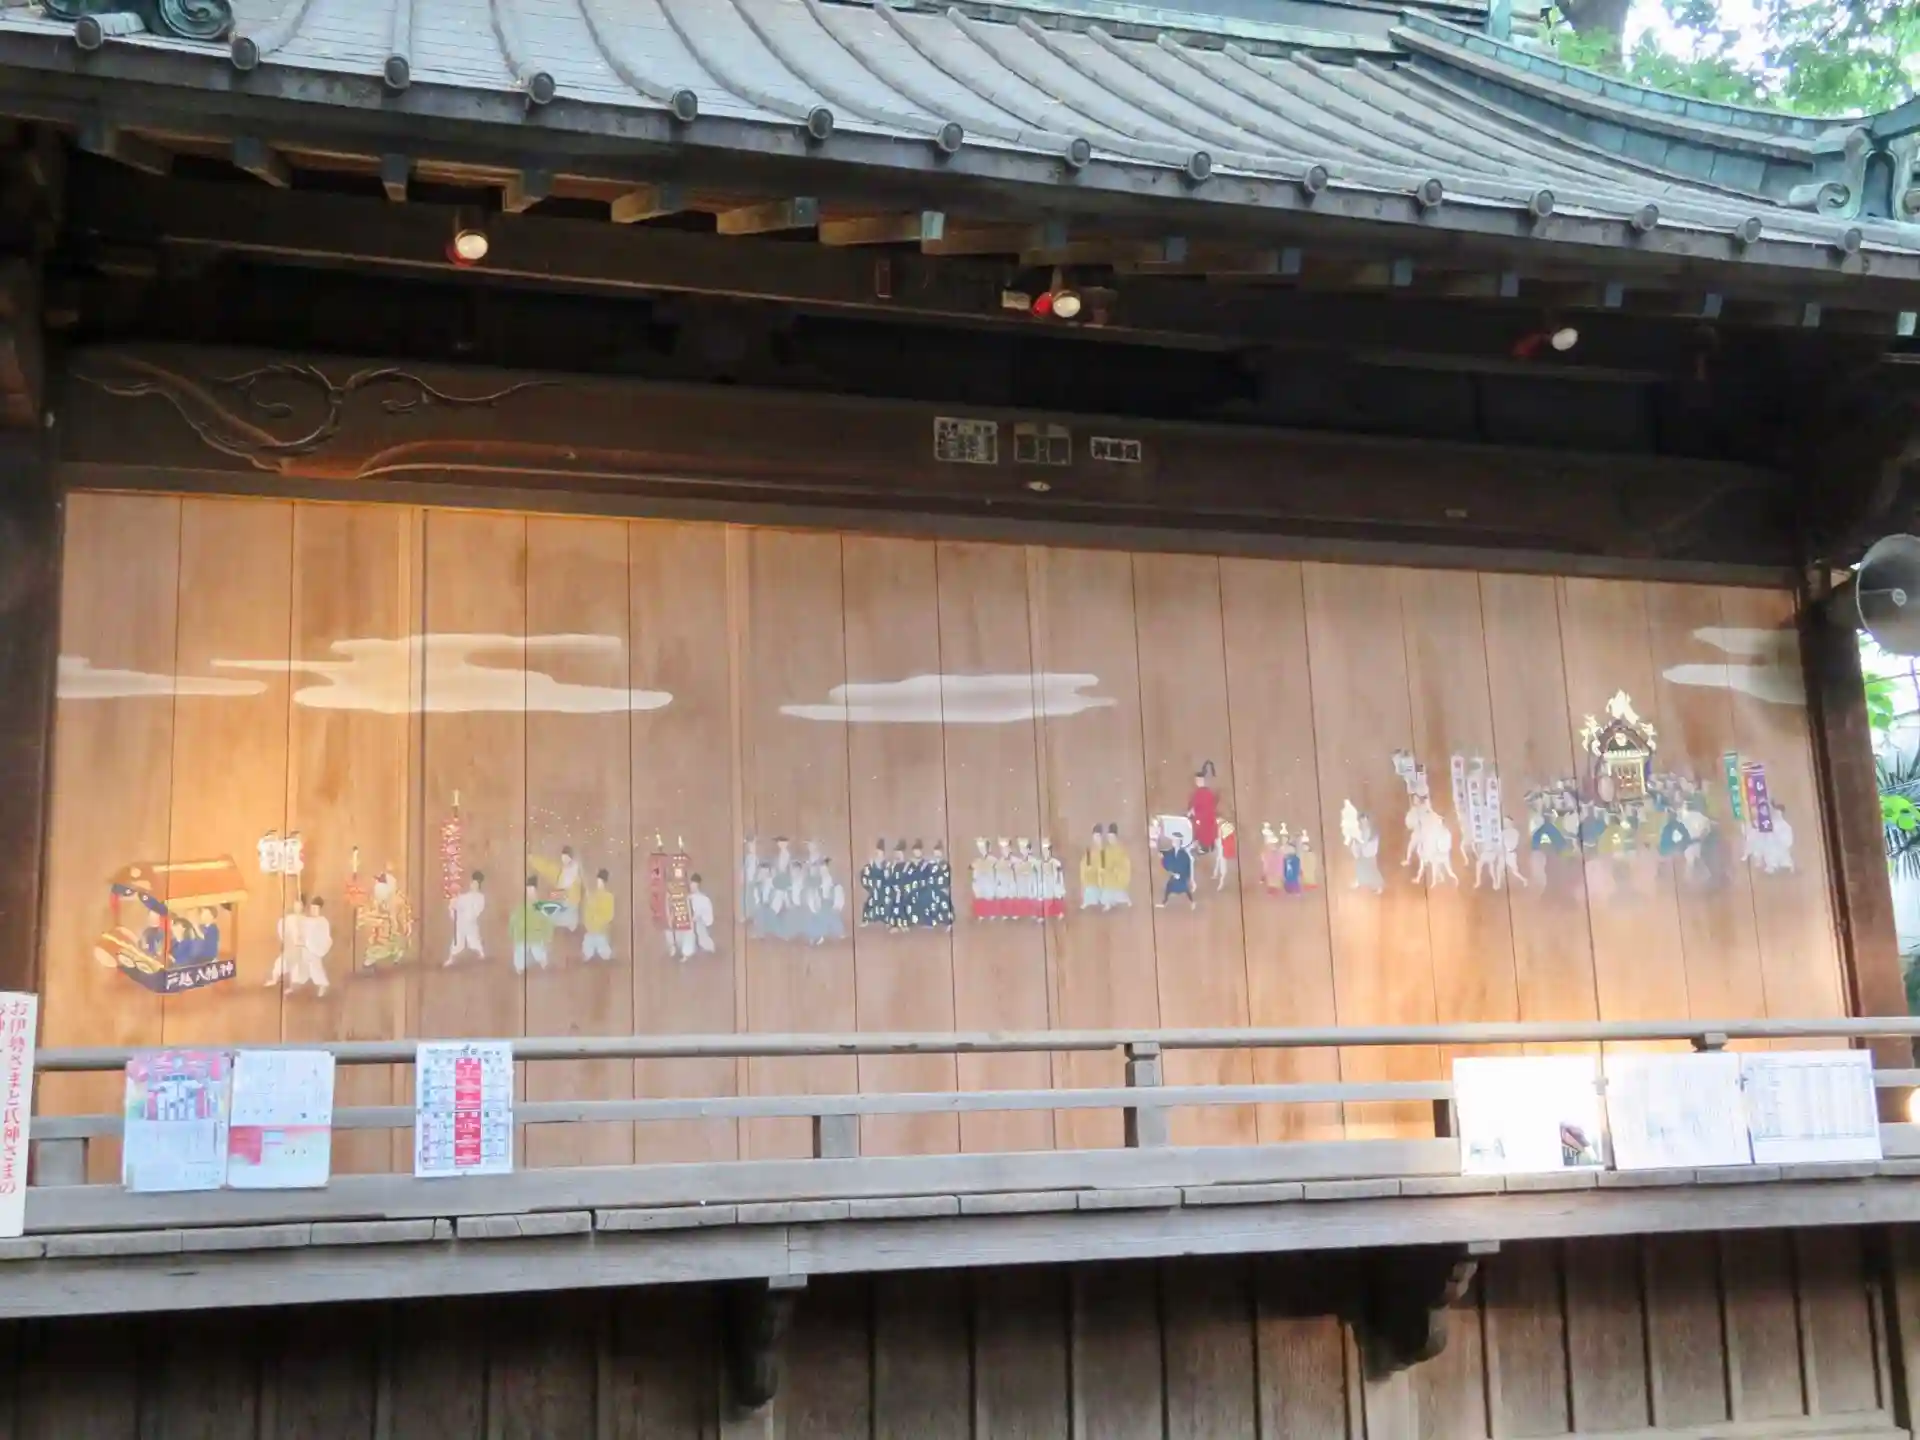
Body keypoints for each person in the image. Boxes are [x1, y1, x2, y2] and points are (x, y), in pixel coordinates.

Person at [510, 876, 554, 973]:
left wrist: (548, 936)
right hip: (522, 935)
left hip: (536, 936)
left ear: (536, 893)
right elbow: (513, 920)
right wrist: (512, 932)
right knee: (520, 950)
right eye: (528, 892)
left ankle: (542, 960)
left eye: (532, 892)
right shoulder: (520, 907)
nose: (530, 895)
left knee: (538, 951)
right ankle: (519, 966)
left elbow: (548, 922)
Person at [447, 869, 486, 965]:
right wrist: (454, 902)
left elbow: (478, 909)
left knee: (474, 939)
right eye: (473, 883)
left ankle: (481, 954)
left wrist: (471, 916)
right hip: (462, 922)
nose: (473, 885)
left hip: (470, 922)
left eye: (476, 884)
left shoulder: (480, 897)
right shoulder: (465, 896)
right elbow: (458, 903)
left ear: (479, 886)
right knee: (457, 941)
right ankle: (451, 958)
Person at [300, 897, 333, 996]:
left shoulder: (323, 921)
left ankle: (323, 984)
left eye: (316, 908)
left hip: (315, 947)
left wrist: (318, 945)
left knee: (315, 966)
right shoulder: (306, 920)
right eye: (312, 908)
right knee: (303, 966)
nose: (313, 910)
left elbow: (324, 936)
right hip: (306, 947)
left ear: (319, 909)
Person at [582, 869, 617, 961]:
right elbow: (587, 914)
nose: (599, 883)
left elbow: (609, 915)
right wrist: (589, 924)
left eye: (601, 881)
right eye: (598, 881)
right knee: (587, 951)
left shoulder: (608, 897)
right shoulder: (592, 896)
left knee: (605, 954)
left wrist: (598, 920)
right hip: (591, 931)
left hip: (602, 932)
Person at [1188, 761, 1220, 854]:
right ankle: (1207, 845)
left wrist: (1193, 812)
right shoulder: (1206, 792)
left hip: (1203, 819)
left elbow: (1200, 806)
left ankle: (1204, 847)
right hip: (1206, 818)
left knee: (1203, 832)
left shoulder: (1202, 793)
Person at [1157, 834, 1196, 909]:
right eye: (1174, 841)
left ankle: (1192, 902)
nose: (1174, 842)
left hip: (1182, 877)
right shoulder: (1171, 852)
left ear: (1179, 843)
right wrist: (1162, 857)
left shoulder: (1184, 854)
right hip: (1175, 876)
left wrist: (1188, 877)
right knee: (1169, 887)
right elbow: (1166, 857)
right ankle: (1164, 902)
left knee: (1186, 888)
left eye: (1176, 841)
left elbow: (1187, 865)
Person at [1102, 823, 1132, 908]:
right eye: (1109, 837)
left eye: (1112, 837)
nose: (1110, 839)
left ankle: (1126, 900)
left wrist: (1117, 869)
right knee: (1106, 894)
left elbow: (1125, 863)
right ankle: (1108, 904)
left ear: (1116, 837)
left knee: (1120, 895)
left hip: (1118, 876)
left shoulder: (1121, 849)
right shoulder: (1107, 849)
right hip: (1109, 877)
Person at [687, 873, 716, 955]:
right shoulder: (689, 897)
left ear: (698, 885)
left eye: (694, 885)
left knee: (704, 941)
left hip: (702, 925)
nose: (692, 886)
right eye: (691, 884)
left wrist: (696, 919)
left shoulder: (704, 899)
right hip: (693, 925)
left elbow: (707, 919)